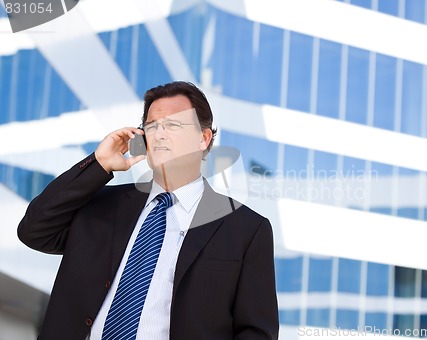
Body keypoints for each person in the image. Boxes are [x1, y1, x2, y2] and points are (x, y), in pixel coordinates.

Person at [18, 81, 279, 339]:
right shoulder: (100, 206)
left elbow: (255, 331)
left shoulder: (245, 229)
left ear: (203, 137)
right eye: (152, 126)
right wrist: (99, 165)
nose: (160, 134)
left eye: (173, 125)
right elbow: (34, 230)